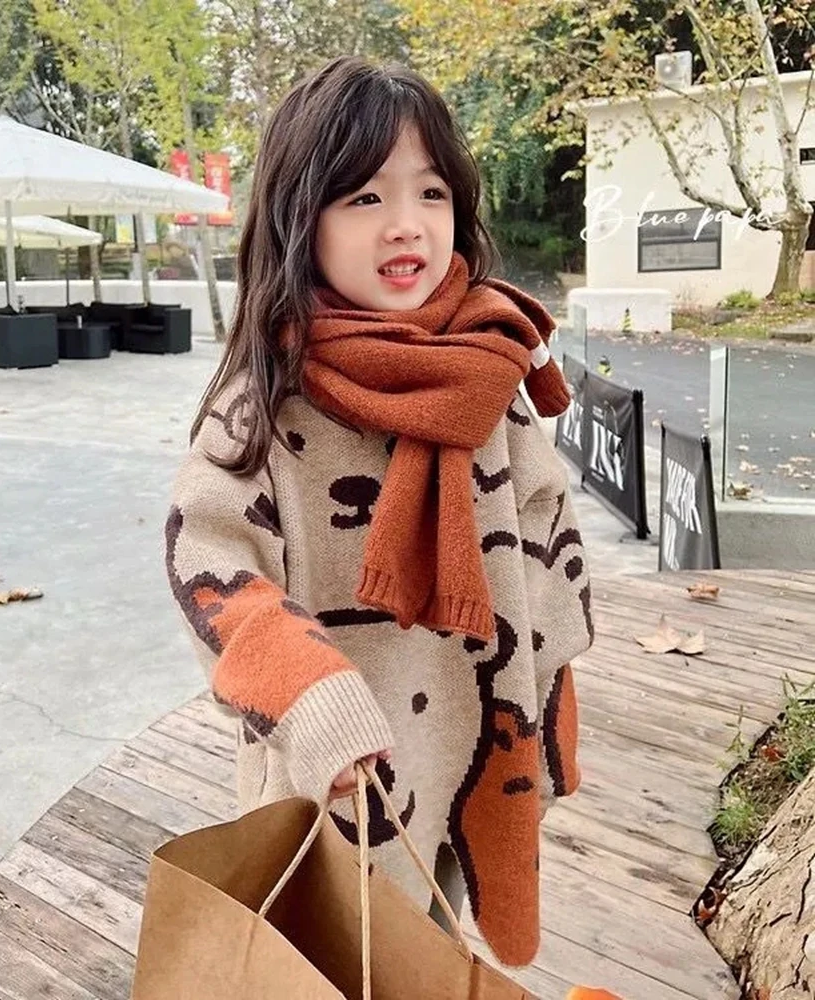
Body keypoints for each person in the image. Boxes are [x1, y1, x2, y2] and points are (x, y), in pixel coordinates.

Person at [164, 55, 594, 969]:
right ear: (300, 218)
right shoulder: (263, 404)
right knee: (325, 958)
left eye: (431, 192)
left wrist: (548, 695)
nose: (407, 223)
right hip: (336, 776)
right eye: (364, 196)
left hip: (473, 745)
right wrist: (313, 700)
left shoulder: (489, 373)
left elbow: (548, 542)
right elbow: (212, 566)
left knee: (431, 949)